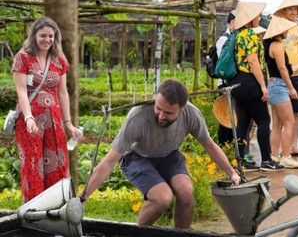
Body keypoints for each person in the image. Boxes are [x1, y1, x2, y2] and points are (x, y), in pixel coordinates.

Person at [80, 79, 241, 228]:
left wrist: (232, 173)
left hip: (169, 154)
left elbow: (209, 145)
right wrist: (82, 198)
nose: (161, 116)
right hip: (137, 156)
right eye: (158, 108)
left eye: (169, 113)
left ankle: (181, 234)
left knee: (186, 192)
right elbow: (109, 161)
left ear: (182, 108)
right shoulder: (138, 117)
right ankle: (137, 234)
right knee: (162, 198)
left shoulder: (191, 114)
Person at [11, 16, 82, 203]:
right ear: (34, 35)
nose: (47, 40)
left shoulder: (59, 60)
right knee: (33, 167)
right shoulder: (22, 58)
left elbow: (63, 93)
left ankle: (56, 209)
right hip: (30, 120)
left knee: (58, 163)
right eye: (43, 35)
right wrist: (28, 118)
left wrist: (69, 124)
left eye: (51, 36)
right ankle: (33, 213)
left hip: (54, 119)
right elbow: (21, 90)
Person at [227, 1, 283, 172]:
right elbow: (252, 61)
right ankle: (266, 160)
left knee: (243, 122)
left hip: (237, 82)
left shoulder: (237, 35)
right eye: (257, 15)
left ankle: (241, 160)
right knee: (264, 120)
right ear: (251, 19)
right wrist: (263, 86)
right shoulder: (250, 35)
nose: (259, 18)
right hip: (250, 81)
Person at [273, 0, 298, 157]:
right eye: (290, 9)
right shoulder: (276, 30)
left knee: (296, 112)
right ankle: (282, 148)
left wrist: (295, 67)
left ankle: (294, 145)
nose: (294, 12)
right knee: (280, 116)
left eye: (295, 9)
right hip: (280, 76)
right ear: (283, 11)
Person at [264, 16, 298, 169]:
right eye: (285, 29)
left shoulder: (269, 44)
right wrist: (291, 88)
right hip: (279, 85)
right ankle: (286, 156)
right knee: (289, 122)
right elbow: (282, 69)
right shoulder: (278, 45)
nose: (287, 31)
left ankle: (274, 155)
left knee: (277, 124)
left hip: (273, 84)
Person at [215, 10, 235, 146]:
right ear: (231, 23)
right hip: (225, 83)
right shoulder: (223, 39)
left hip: (232, 82)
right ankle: (223, 145)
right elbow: (226, 61)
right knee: (225, 117)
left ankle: (230, 145)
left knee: (233, 116)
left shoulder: (233, 37)